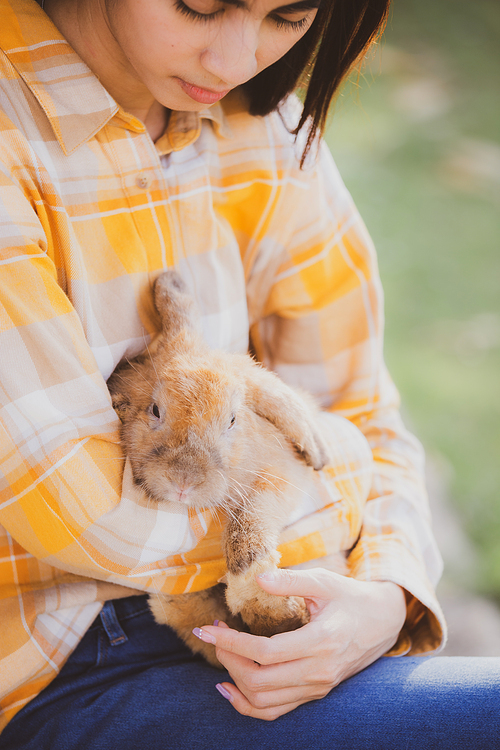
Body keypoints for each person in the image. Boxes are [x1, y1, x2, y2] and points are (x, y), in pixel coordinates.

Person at [0, 0, 498, 747]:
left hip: (288, 616)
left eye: (290, 17)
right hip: (77, 666)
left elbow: (361, 402)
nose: (235, 62)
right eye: (200, 6)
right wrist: (311, 492)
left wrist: (386, 597)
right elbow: (77, 506)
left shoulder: (263, 129)